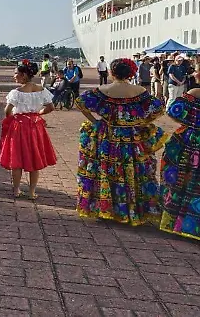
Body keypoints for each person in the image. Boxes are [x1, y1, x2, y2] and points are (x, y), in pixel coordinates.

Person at [75, 58, 165, 225]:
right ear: (131, 73)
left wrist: (95, 122)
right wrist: (142, 122)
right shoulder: (139, 91)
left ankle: (106, 208)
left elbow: (80, 103)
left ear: (112, 72)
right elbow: (159, 108)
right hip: (132, 137)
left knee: (107, 169)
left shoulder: (103, 89)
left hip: (108, 136)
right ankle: (132, 210)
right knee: (133, 169)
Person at [0, 60, 57, 199]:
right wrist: (38, 114)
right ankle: (31, 192)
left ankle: (16, 189)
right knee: (34, 158)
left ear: (24, 75)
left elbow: (8, 110)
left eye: (16, 74)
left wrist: (12, 119)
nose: (14, 76)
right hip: (36, 125)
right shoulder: (42, 90)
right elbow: (50, 107)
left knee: (16, 158)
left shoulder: (16, 92)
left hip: (19, 126)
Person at [160, 87, 200, 240]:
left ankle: (180, 222)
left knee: (183, 180)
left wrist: (190, 122)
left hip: (191, 141)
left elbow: (173, 112)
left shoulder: (195, 93)